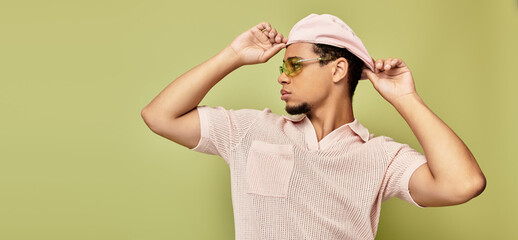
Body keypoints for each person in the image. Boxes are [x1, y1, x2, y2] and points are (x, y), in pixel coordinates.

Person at [140, 13, 486, 239]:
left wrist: (405, 98)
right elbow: (159, 116)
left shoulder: (382, 157)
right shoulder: (249, 130)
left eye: (293, 66)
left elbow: (464, 184)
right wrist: (232, 55)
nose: (281, 76)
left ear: (337, 70)